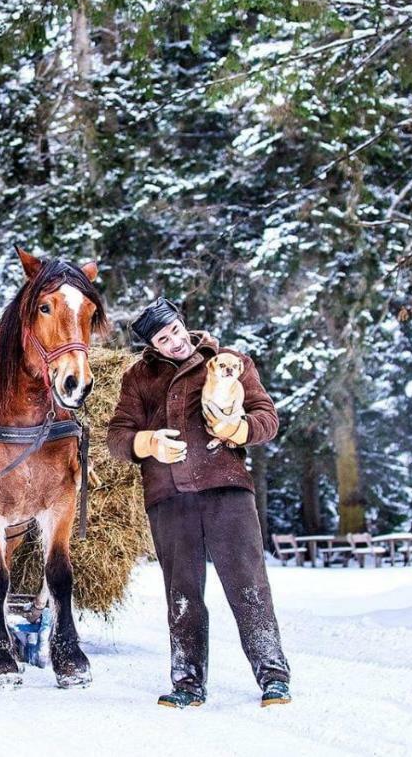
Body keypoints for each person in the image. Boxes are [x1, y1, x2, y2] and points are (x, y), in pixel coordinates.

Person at [107, 297, 292, 708]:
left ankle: (274, 675)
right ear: (151, 345)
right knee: (183, 592)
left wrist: (238, 428)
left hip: (225, 488)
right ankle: (188, 683)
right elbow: (116, 436)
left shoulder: (228, 362)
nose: (173, 342)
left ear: (182, 323)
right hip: (169, 497)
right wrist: (147, 442)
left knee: (249, 585)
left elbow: (268, 416)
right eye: (162, 338)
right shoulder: (139, 377)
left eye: (174, 330)